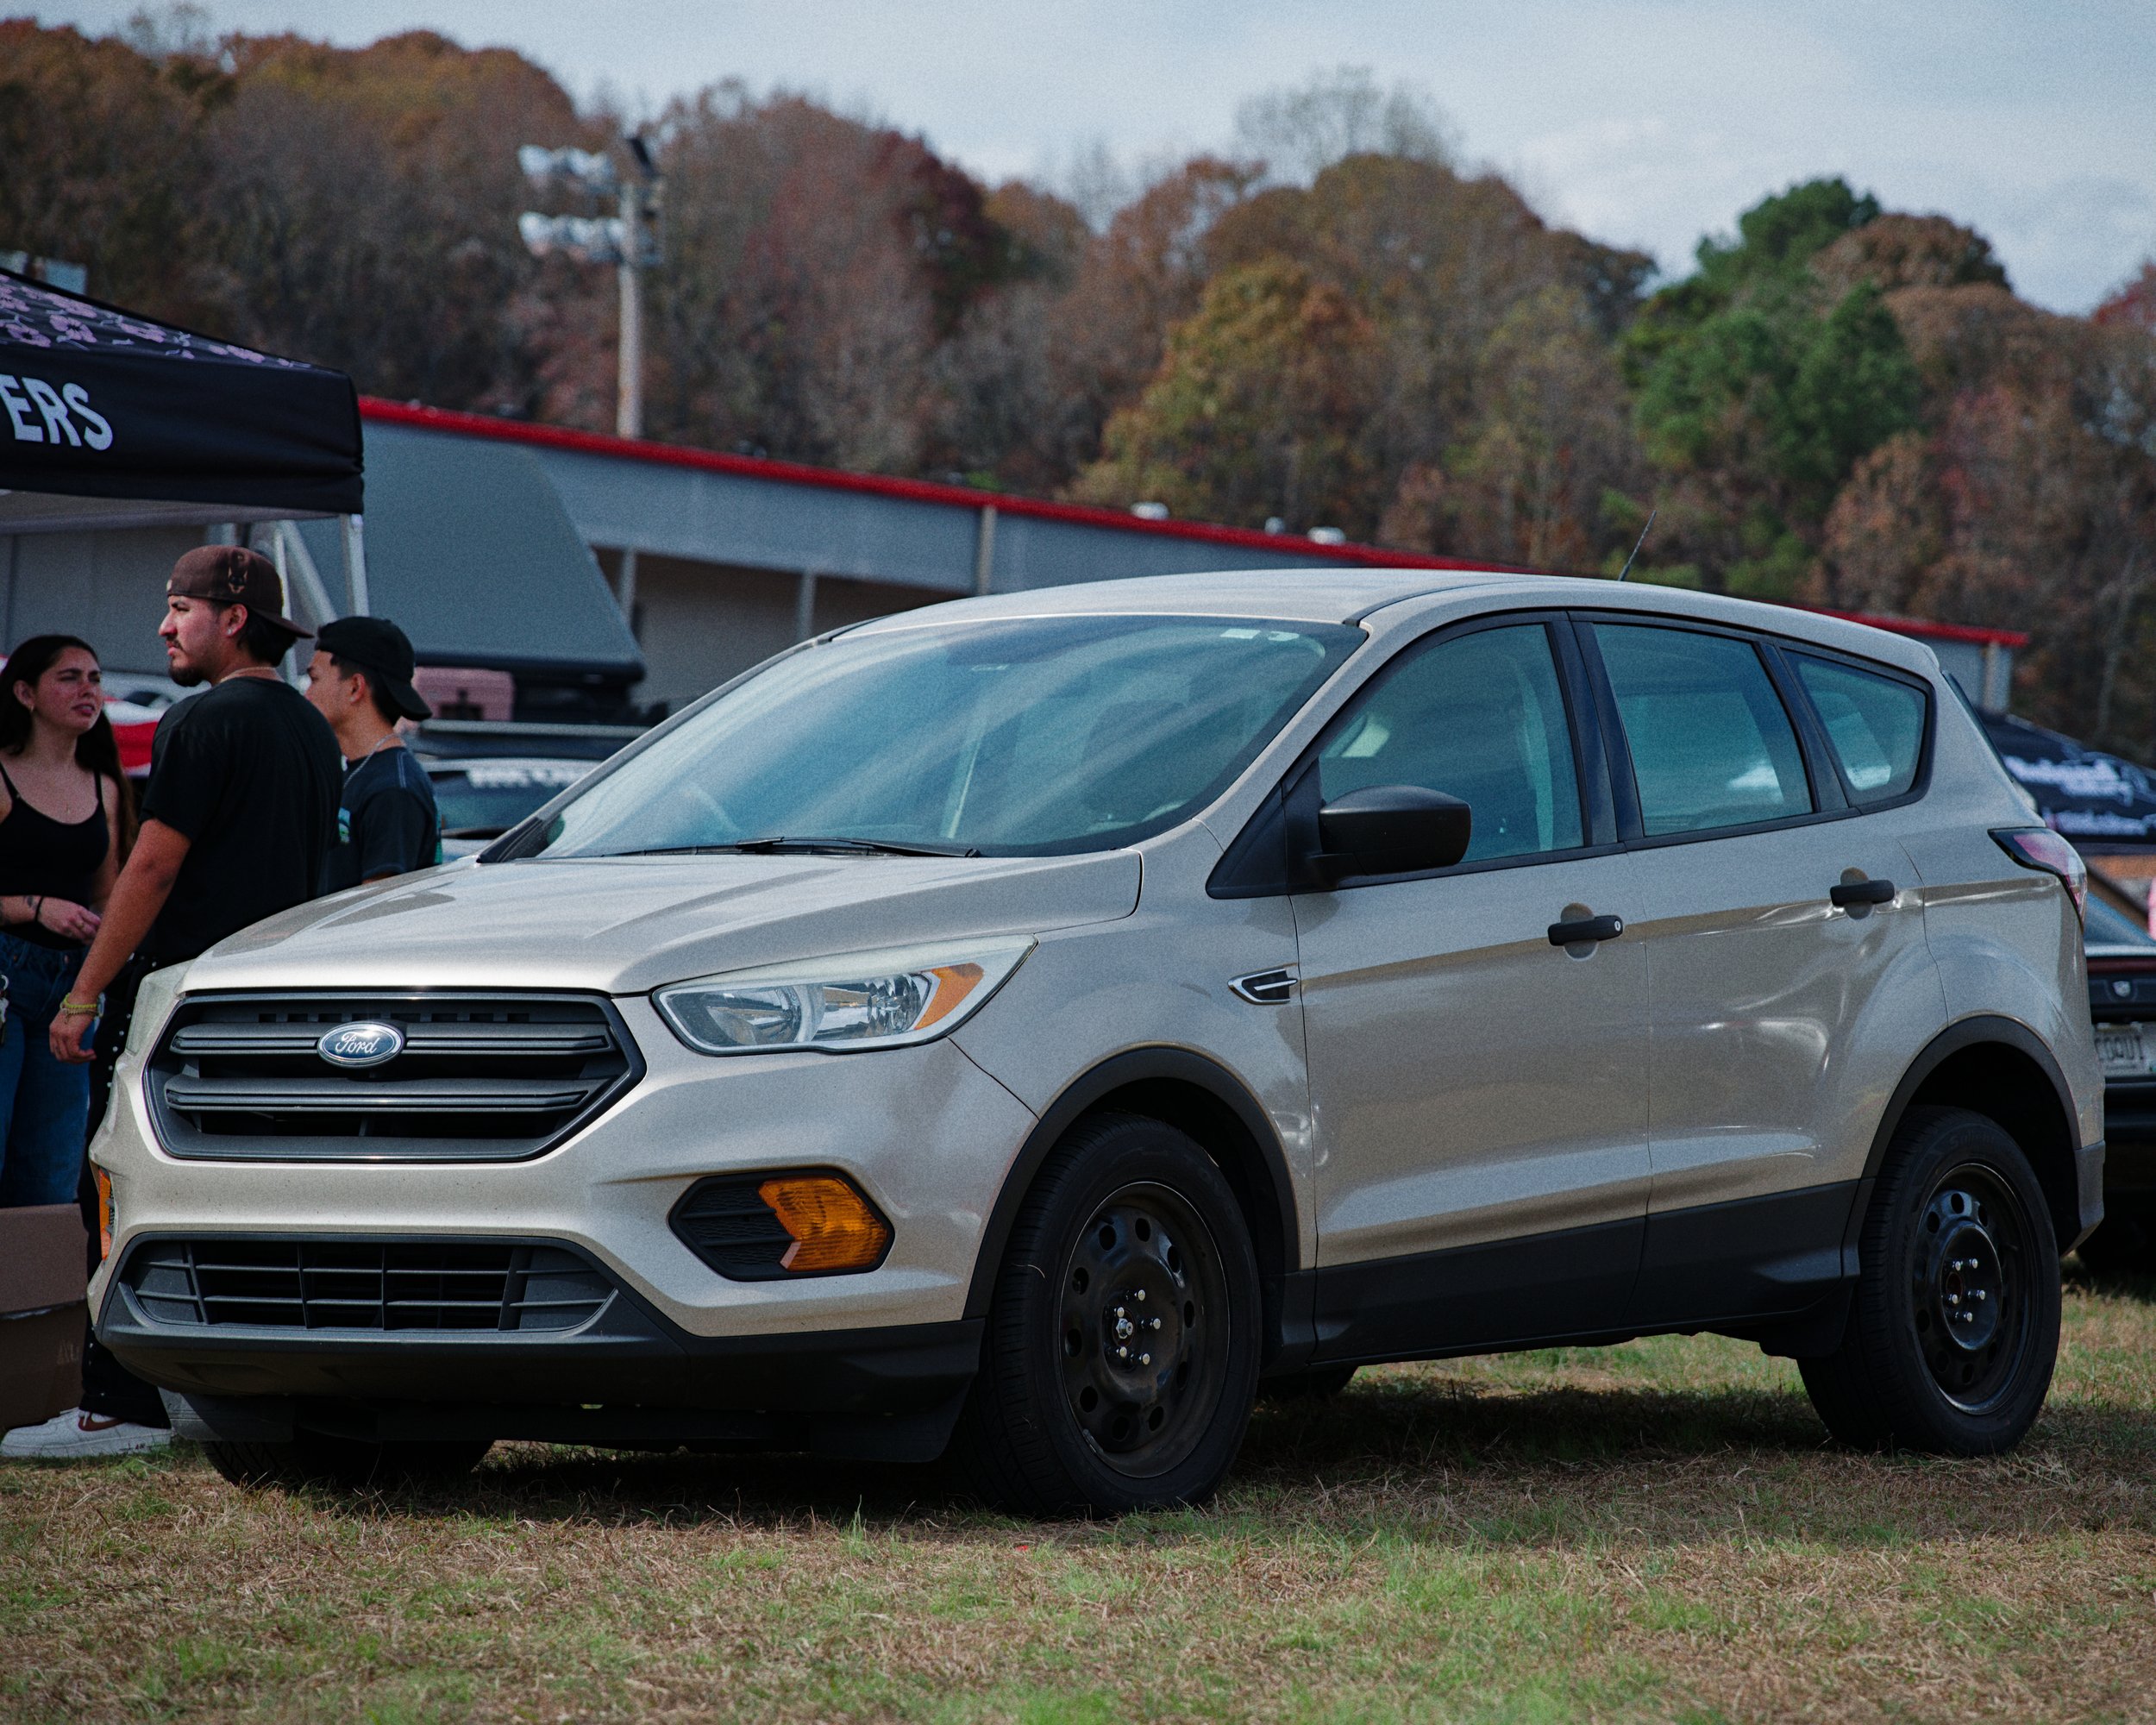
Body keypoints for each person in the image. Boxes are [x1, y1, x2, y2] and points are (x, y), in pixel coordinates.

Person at [2, 545, 341, 1462]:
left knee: (123, 1191)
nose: (163, 626)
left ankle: (117, 1403)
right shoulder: (313, 728)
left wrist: (83, 992)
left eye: (179, 608)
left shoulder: (205, 719)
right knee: (251, 1204)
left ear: (232, 618)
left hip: (185, 1008)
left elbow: (150, 866)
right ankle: (238, 1395)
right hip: (277, 1005)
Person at [0, 637, 134, 1208]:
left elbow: (108, 892)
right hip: (6, 975)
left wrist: (103, 946)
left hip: (72, 988)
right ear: (25, 693)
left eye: (96, 678)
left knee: (52, 1171)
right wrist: (34, 906)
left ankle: (36, 1273)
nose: (88, 690)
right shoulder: (2, 775)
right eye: (69, 677)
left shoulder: (105, 785)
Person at [304, 616, 440, 888]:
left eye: (315, 679)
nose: (307, 695)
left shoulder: (393, 788)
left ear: (355, 687)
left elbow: (379, 905)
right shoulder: (363, 774)